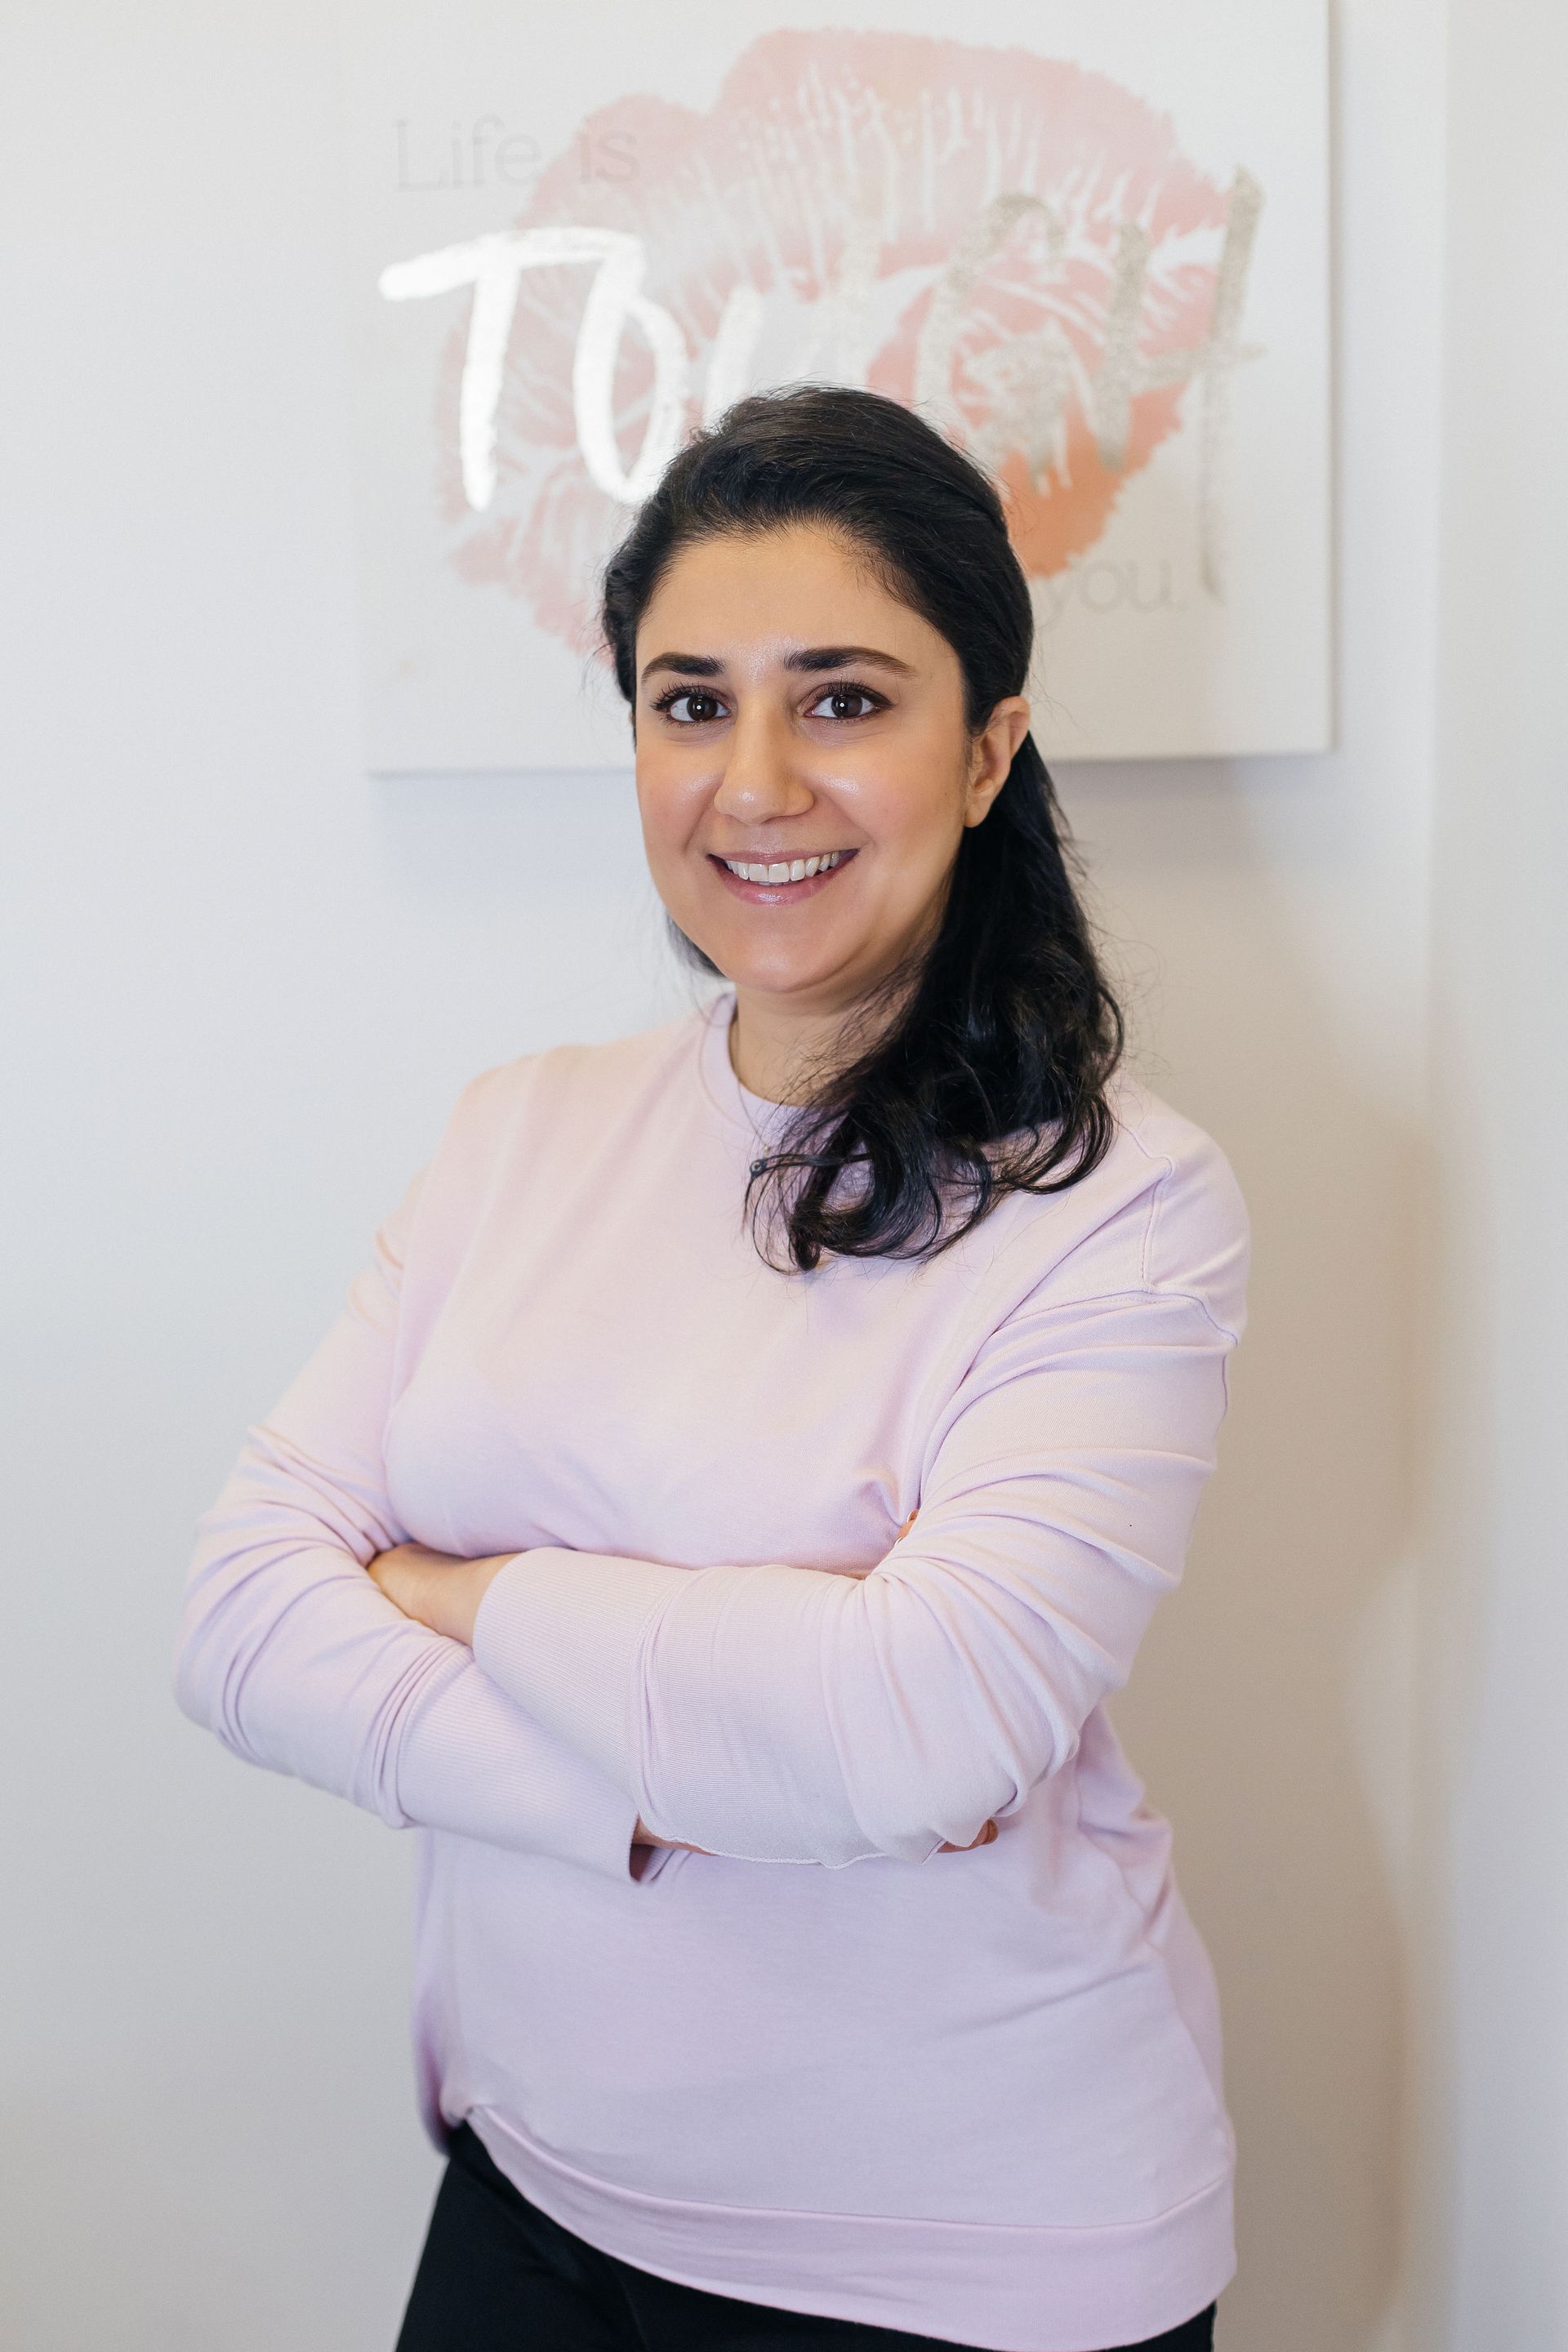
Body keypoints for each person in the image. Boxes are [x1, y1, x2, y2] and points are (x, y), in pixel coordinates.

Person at [174, 385, 1248, 2352]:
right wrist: (659, 1797)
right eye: (690, 702)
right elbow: (240, 1620)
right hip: (536, 2191)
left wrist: (458, 1598)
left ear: (989, 745)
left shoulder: (1125, 1211)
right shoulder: (524, 1130)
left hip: (970, 2259)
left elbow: (919, 1735)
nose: (754, 782)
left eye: (842, 699)